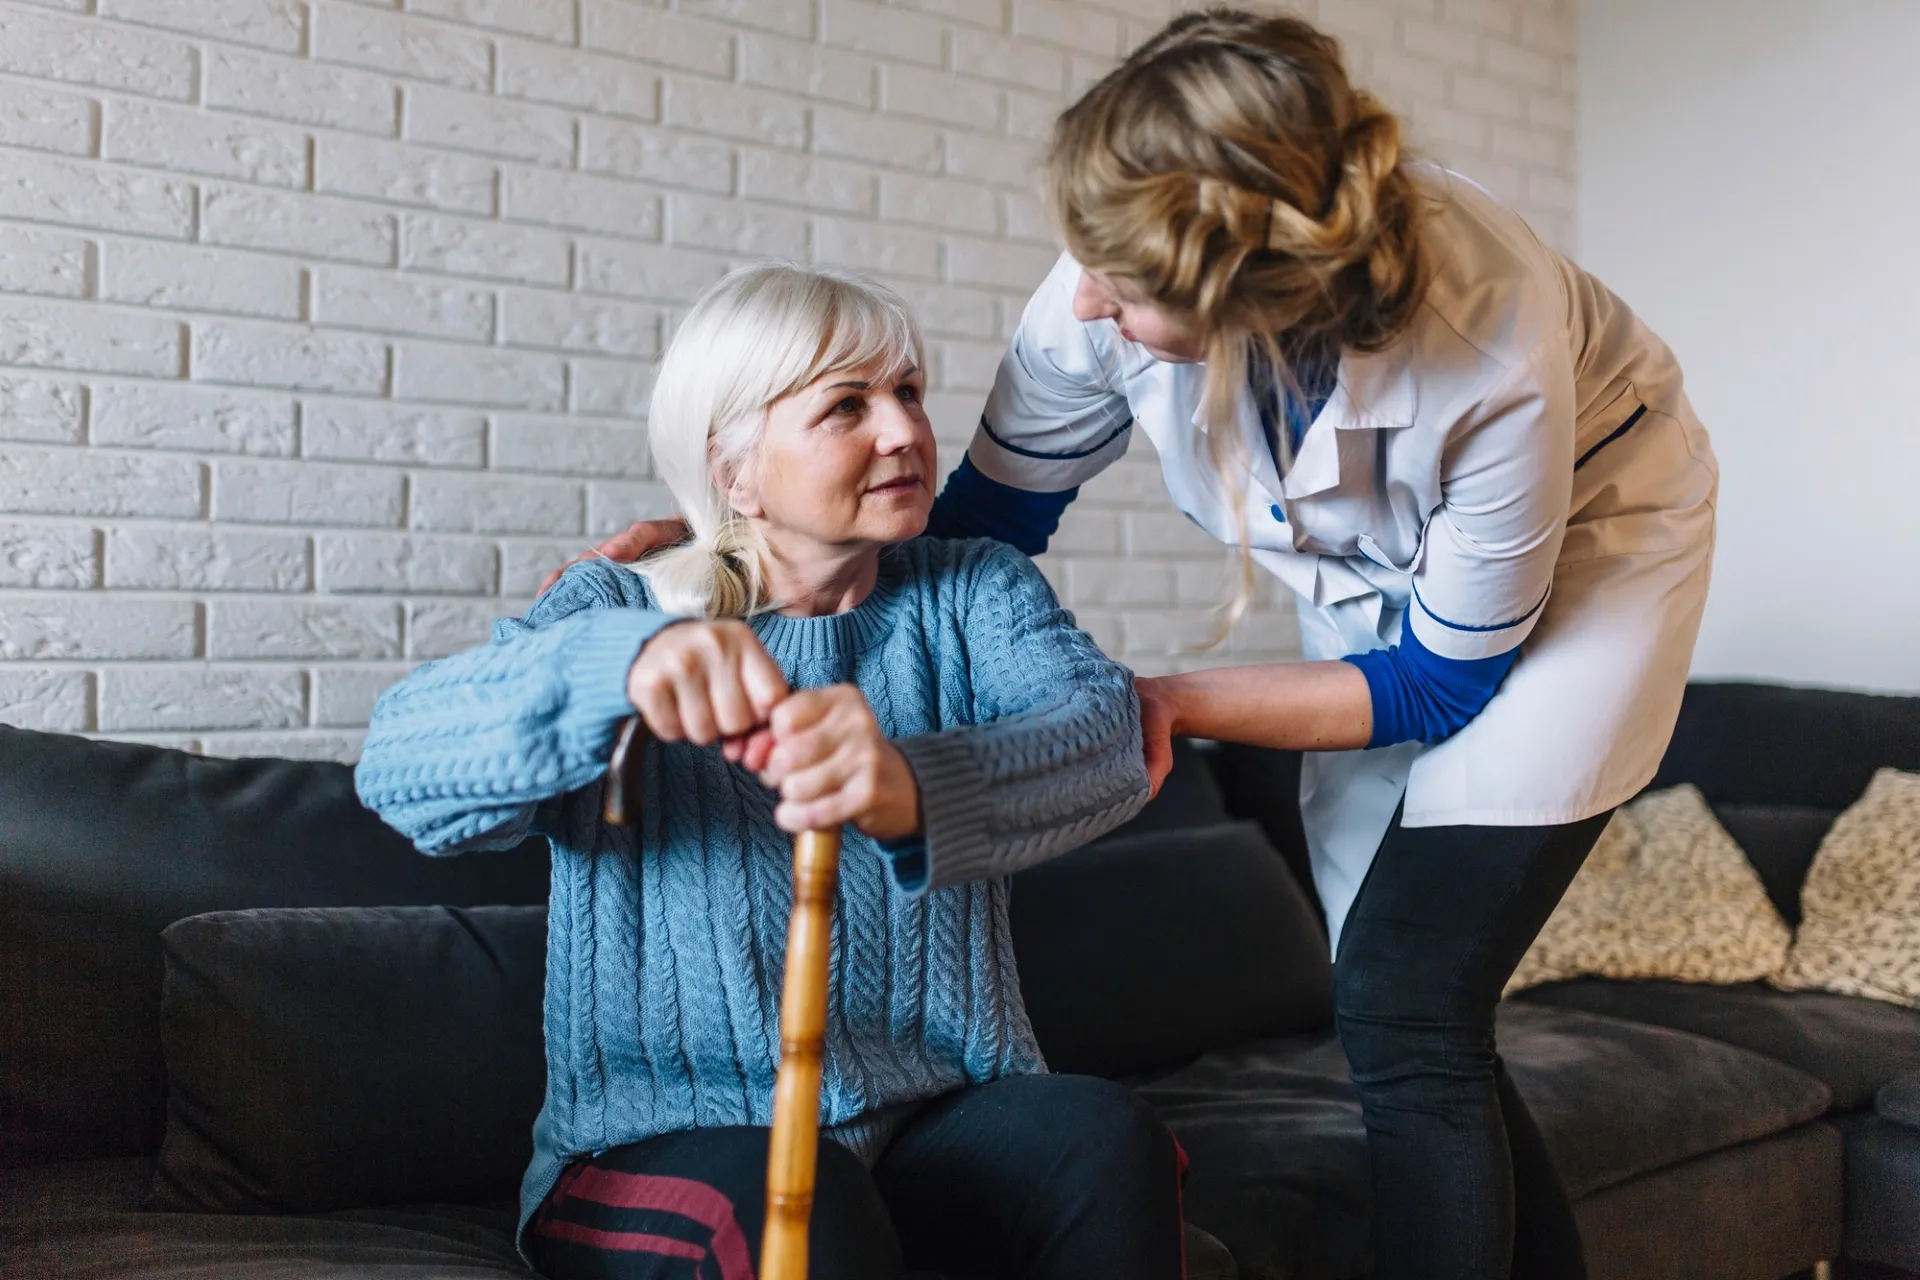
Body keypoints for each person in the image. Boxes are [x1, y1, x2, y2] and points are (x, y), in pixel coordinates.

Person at [568, 11, 1718, 1278]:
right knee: (1404, 1007)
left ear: (1248, 299)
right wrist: (741, 529)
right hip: (1389, 594)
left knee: (1405, 994)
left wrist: (1164, 693)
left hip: (1598, 545)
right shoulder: (1097, 285)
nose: (1088, 300)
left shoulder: (1490, 348)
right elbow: (982, 527)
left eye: (1127, 288)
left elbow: (1438, 681)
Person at [356, 264, 1185, 1280]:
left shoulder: (970, 590)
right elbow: (400, 765)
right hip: (662, 1140)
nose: (904, 431)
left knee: (1101, 1136)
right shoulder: (618, 604)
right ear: (734, 471)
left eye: (910, 392)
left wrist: (912, 786)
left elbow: (1105, 736)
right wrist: (618, 665)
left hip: (933, 1114)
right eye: (847, 404)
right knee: (797, 1199)